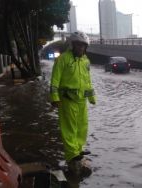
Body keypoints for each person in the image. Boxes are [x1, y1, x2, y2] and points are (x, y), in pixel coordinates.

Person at [50, 31, 96, 174]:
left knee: (82, 126)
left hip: (81, 101)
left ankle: (78, 149)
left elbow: (87, 81)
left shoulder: (86, 61)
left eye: (83, 46)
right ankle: (72, 154)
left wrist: (91, 97)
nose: (80, 48)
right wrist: (54, 98)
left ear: (86, 47)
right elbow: (55, 80)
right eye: (78, 45)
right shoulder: (63, 59)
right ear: (73, 45)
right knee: (69, 128)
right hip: (67, 100)